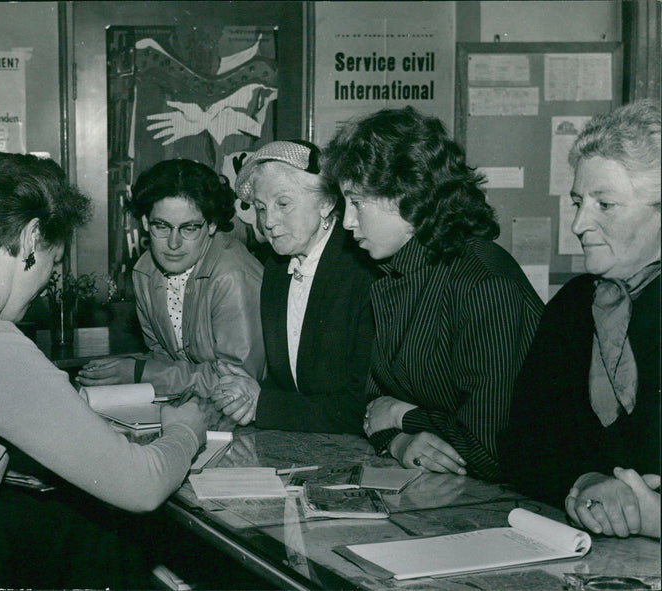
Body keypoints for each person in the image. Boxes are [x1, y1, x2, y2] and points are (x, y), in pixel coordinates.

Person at [0, 151, 207, 589]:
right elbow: (141, 487)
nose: (48, 279)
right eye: (54, 262)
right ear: (31, 239)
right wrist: (185, 432)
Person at [320, 107, 544, 481]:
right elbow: (372, 404)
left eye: (357, 203)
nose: (347, 222)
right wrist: (399, 442)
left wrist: (401, 416)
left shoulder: (485, 282)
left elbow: (490, 449)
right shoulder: (394, 272)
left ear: (409, 195)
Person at [499, 100, 660, 539]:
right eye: (576, 202)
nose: (578, 224)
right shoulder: (572, 305)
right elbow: (520, 447)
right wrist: (584, 480)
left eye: (604, 204)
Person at [212, 140, 376, 432]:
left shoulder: (362, 272)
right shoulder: (277, 269)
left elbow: (361, 406)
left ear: (325, 203)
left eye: (283, 204)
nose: (269, 221)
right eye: (261, 208)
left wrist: (262, 403)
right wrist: (245, 396)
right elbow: (288, 381)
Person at [77, 158, 265, 398]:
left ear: (211, 225)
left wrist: (139, 373)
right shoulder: (145, 270)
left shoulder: (233, 277)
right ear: (145, 222)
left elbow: (239, 380)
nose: (173, 243)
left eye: (189, 228)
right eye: (162, 226)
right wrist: (119, 369)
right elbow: (162, 359)